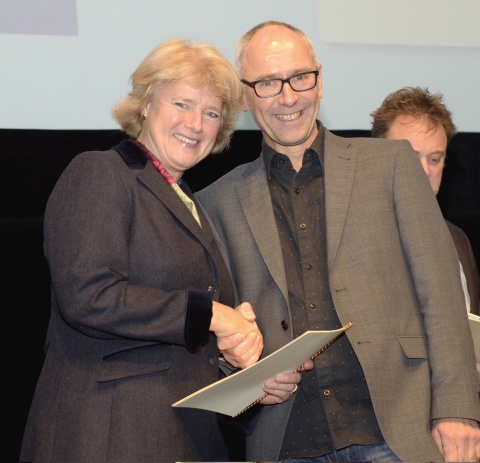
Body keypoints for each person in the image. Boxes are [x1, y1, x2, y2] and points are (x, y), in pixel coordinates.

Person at [195, 21, 480, 462]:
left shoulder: (390, 165)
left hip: (397, 431)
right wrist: (248, 376)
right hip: (288, 443)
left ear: (320, 80)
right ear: (245, 95)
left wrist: (458, 410)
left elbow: (441, 296)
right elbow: (219, 337)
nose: (288, 97)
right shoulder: (216, 203)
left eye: (299, 77)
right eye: (268, 83)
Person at [19, 38, 304, 463]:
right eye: (183, 104)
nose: (196, 124)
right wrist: (211, 314)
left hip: (184, 438)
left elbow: (184, 344)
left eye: (211, 113)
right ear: (147, 103)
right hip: (108, 435)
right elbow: (89, 296)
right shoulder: (101, 173)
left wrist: (244, 372)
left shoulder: (192, 205)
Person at [370, 86, 480, 380]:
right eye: (408, 155)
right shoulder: (350, 238)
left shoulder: (457, 240)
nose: (423, 171)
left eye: (434, 159)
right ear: (374, 157)